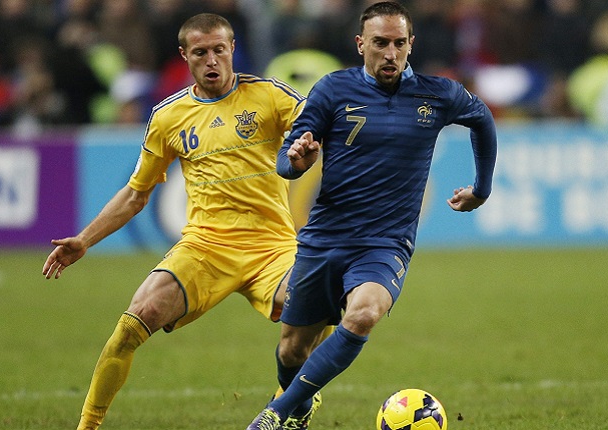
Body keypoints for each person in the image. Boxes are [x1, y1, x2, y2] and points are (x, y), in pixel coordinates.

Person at [42, 13, 324, 430]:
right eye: (200, 52)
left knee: (316, 305)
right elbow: (136, 194)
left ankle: (295, 402)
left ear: (232, 49)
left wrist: (307, 151)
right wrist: (84, 240)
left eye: (219, 50)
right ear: (185, 56)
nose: (212, 60)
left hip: (272, 247)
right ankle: (87, 426)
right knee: (130, 325)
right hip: (205, 247)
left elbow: (315, 130)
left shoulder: (270, 96)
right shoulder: (168, 117)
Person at [246, 2, 497, 429]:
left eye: (400, 44)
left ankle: (275, 413)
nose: (391, 53)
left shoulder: (437, 94)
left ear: (410, 45)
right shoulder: (332, 90)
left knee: (363, 314)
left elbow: (482, 119)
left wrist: (482, 189)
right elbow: (287, 162)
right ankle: (300, 408)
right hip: (325, 237)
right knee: (291, 350)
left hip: (385, 243)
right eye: (380, 43)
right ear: (361, 44)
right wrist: (298, 161)